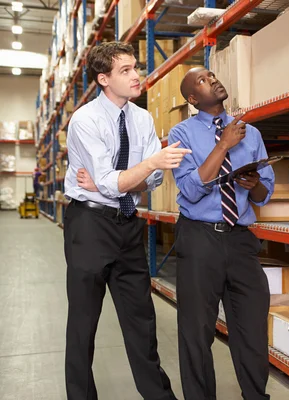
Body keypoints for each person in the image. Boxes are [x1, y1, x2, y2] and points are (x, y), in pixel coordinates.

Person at [63, 41, 190, 400]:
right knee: (83, 324)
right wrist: (141, 168)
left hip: (129, 225)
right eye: (125, 71)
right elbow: (117, 179)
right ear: (104, 79)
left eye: (135, 67)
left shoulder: (142, 118)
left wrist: (125, 178)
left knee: (141, 322)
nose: (137, 76)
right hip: (89, 226)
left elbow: (151, 182)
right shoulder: (85, 120)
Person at [169, 67, 275, 400]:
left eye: (212, 75)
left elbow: (264, 194)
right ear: (192, 98)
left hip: (240, 239)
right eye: (202, 80)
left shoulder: (251, 133)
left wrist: (254, 184)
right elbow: (189, 189)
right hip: (200, 239)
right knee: (196, 332)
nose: (212, 80)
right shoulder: (181, 134)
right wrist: (223, 146)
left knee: (252, 330)